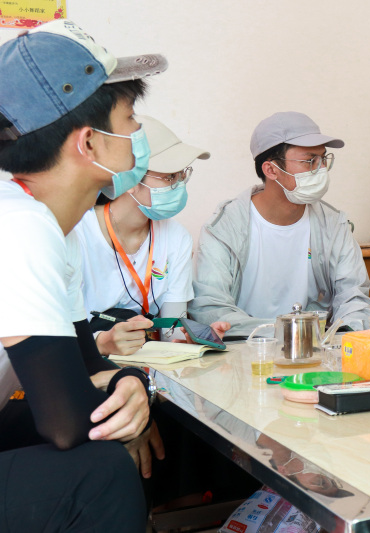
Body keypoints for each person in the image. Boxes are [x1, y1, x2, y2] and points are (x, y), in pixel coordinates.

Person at [0, 20, 167, 531]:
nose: (138, 132)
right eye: (130, 117)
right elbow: (66, 422)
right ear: (89, 143)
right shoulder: (20, 223)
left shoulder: (52, 223)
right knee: (100, 470)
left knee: (125, 432)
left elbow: (85, 363)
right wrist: (127, 406)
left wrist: (130, 385)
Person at [190, 111, 370, 337]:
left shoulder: (333, 225)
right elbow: (211, 309)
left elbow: (354, 297)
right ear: (271, 170)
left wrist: (348, 333)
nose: (320, 170)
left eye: (323, 159)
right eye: (310, 161)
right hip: (245, 348)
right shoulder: (223, 228)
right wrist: (288, 334)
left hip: (315, 349)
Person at [73, 115, 210, 355]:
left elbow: (172, 333)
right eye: (170, 177)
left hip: (144, 363)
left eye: (182, 175)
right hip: (83, 363)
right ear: (131, 180)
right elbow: (50, 337)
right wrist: (101, 343)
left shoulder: (177, 237)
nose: (180, 184)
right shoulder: (77, 233)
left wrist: (195, 341)